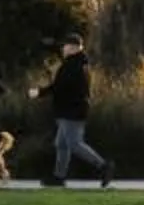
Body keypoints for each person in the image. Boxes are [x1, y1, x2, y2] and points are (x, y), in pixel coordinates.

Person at [40, 34, 110, 188]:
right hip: (72, 110)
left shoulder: (72, 66)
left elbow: (59, 87)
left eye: (64, 47)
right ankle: (58, 177)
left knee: (74, 144)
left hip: (72, 112)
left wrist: (39, 93)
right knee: (62, 144)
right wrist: (49, 44)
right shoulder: (77, 63)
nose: (62, 49)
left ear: (72, 48)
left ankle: (103, 166)